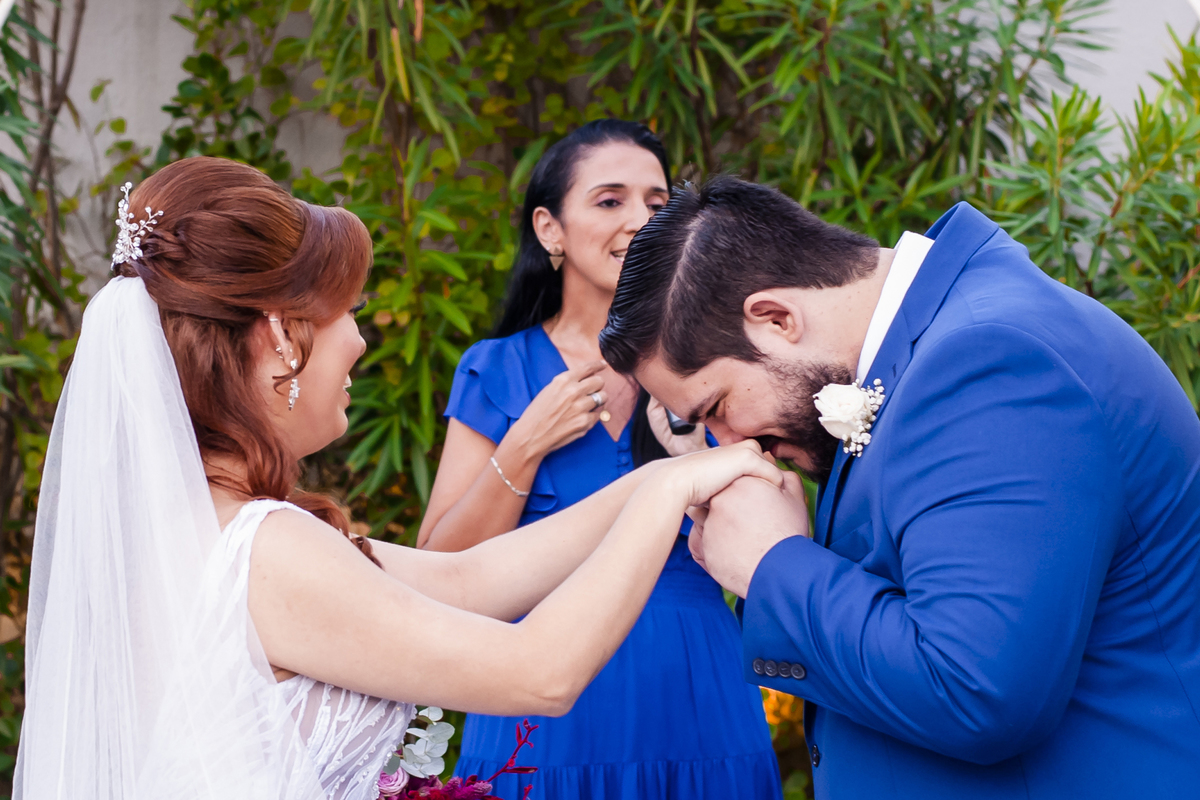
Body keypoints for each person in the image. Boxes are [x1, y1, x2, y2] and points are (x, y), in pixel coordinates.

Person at [13, 157, 785, 800]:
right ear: (282, 336)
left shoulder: (189, 532)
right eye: (349, 311)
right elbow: (540, 673)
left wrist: (674, 476)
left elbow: (468, 576)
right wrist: (665, 493)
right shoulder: (265, 548)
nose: (359, 341)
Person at [598, 176, 1200, 799]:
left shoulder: (990, 361)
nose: (729, 440)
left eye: (717, 405)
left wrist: (772, 566)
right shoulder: (930, 353)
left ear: (775, 318)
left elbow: (975, 690)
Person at [418, 121, 781, 799]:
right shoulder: (496, 370)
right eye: (610, 200)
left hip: (699, 698)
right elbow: (439, 564)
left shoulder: (719, 363)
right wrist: (524, 446)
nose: (641, 221)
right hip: (544, 707)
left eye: (657, 201)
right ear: (550, 229)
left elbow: (773, 532)